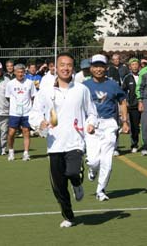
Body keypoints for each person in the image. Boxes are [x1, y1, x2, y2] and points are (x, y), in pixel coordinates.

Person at [29, 52, 97, 228]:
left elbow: (92, 112)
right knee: (58, 187)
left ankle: (77, 184)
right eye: (62, 65)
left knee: (73, 173)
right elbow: (34, 113)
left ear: (72, 68)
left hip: (75, 141)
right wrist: (40, 122)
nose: (65, 68)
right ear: (55, 68)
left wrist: (91, 124)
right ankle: (68, 216)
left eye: (69, 65)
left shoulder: (82, 90)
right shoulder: (45, 91)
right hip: (54, 145)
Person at [83, 54, 129, 201]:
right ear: (90, 68)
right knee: (93, 160)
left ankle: (100, 190)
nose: (98, 69)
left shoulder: (113, 84)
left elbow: (122, 101)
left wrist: (125, 121)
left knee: (107, 161)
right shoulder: (84, 86)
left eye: (101, 66)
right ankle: (92, 169)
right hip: (91, 124)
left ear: (106, 68)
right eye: (95, 66)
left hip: (109, 124)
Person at [5, 63, 36, 161]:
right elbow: (8, 97)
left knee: (26, 132)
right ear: (14, 72)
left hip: (27, 111)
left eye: (22, 72)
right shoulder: (10, 84)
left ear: (25, 72)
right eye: (18, 72)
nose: (20, 74)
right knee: (11, 132)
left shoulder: (30, 83)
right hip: (14, 112)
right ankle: (11, 151)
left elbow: (33, 96)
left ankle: (26, 153)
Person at [122, 58, 141, 153]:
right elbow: (123, 91)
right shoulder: (127, 78)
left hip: (144, 105)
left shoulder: (143, 75)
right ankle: (134, 144)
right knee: (134, 127)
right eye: (133, 65)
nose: (135, 66)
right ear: (130, 67)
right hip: (133, 106)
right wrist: (127, 100)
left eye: (136, 64)